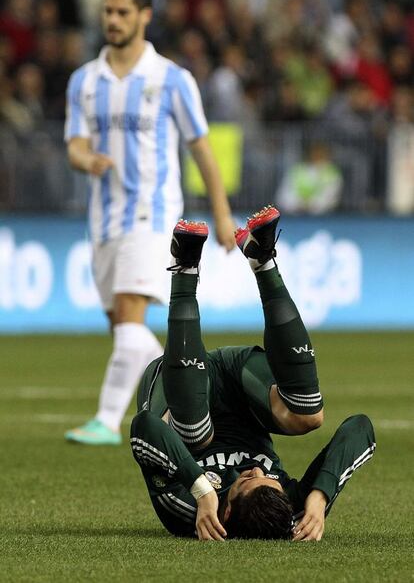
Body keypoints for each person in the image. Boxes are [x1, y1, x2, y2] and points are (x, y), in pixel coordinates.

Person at [130, 205, 376, 541]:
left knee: (193, 434)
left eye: (246, 480)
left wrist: (202, 491)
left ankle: (184, 267)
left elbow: (144, 427)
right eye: (270, 477)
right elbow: (360, 427)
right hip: (243, 387)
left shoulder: (189, 511)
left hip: (180, 386)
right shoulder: (291, 507)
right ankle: (263, 260)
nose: (256, 469)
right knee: (308, 414)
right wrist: (319, 498)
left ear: (227, 511)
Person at [64, 0, 235, 446]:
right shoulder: (84, 81)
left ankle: (105, 420)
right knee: (126, 330)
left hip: (152, 214)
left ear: (144, 16)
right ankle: (184, 401)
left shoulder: (171, 80)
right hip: (104, 219)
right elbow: (74, 145)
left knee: (128, 313)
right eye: (107, 11)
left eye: (122, 12)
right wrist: (86, 159)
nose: (113, 20)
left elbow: (201, 148)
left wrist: (221, 213)